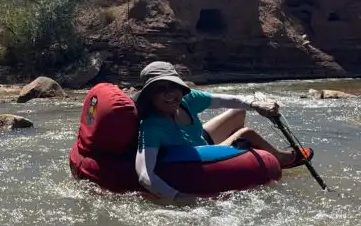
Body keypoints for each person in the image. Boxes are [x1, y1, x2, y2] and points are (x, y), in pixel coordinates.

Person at [134, 61, 313, 202]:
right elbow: (144, 175)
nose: (169, 95)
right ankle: (281, 158)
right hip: (192, 157)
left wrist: (255, 104)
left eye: (172, 87)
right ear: (149, 96)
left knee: (238, 112)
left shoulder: (188, 99)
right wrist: (180, 198)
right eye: (160, 89)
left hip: (200, 143)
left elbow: (224, 100)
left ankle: (231, 152)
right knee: (246, 133)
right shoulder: (151, 127)